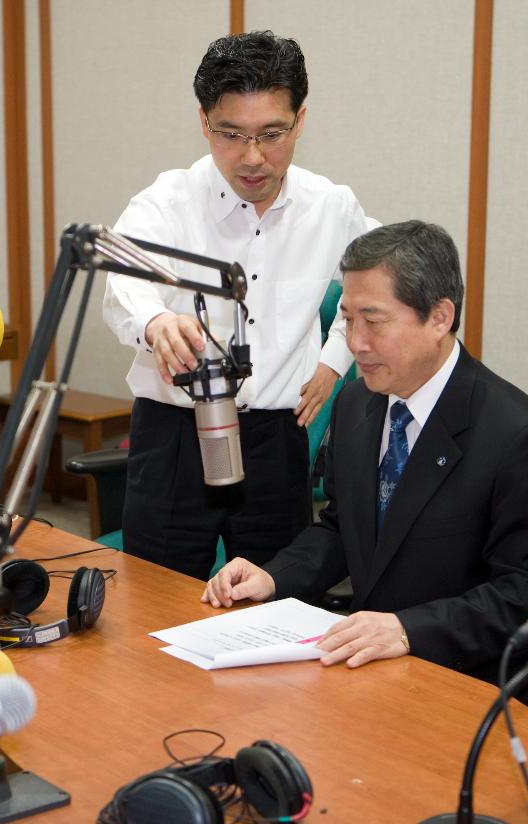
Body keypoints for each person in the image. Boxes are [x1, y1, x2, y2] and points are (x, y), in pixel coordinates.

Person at [201, 221, 528, 725]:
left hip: (475, 688)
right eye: (347, 319)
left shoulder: (520, 438)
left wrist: (408, 630)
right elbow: (343, 525)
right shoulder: (359, 402)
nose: (354, 343)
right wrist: (274, 575)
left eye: (373, 322)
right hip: (373, 673)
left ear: (440, 317)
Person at [103, 31, 371, 580]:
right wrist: (156, 322)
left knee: (277, 602)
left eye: (272, 134)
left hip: (275, 441)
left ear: (300, 121)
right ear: (204, 122)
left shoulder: (330, 206)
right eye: (230, 134)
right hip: (173, 436)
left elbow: (377, 284)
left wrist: (335, 359)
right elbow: (119, 280)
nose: (252, 158)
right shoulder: (167, 200)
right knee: (156, 602)